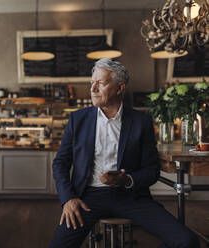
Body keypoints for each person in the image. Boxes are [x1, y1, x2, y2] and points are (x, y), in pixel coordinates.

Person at [49, 58, 199, 248]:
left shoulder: (141, 122)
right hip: (87, 197)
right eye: (92, 83)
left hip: (130, 197)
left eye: (100, 83)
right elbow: (60, 163)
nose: (93, 89)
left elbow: (151, 170)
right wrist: (68, 198)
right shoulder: (77, 119)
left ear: (120, 88)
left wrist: (125, 179)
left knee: (186, 241)